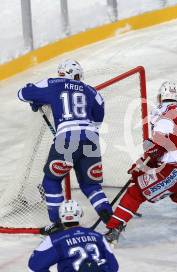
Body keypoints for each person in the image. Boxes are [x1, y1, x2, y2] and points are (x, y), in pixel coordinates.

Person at [104, 81, 177, 245]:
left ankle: (114, 230)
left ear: (160, 96)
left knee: (136, 192)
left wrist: (141, 166)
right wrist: (147, 163)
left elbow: (158, 147)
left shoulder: (164, 115)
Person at [17, 60, 112, 235]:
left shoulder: (52, 83)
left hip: (67, 140)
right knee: (91, 186)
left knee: (51, 181)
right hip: (91, 139)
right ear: (78, 75)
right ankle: (111, 220)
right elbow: (98, 119)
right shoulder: (93, 92)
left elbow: (22, 94)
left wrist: (36, 98)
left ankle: (58, 224)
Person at [28, 200, 119, 272]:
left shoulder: (55, 240)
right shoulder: (98, 236)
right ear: (80, 214)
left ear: (61, 217)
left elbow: (34, 267)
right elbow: (114, 266)